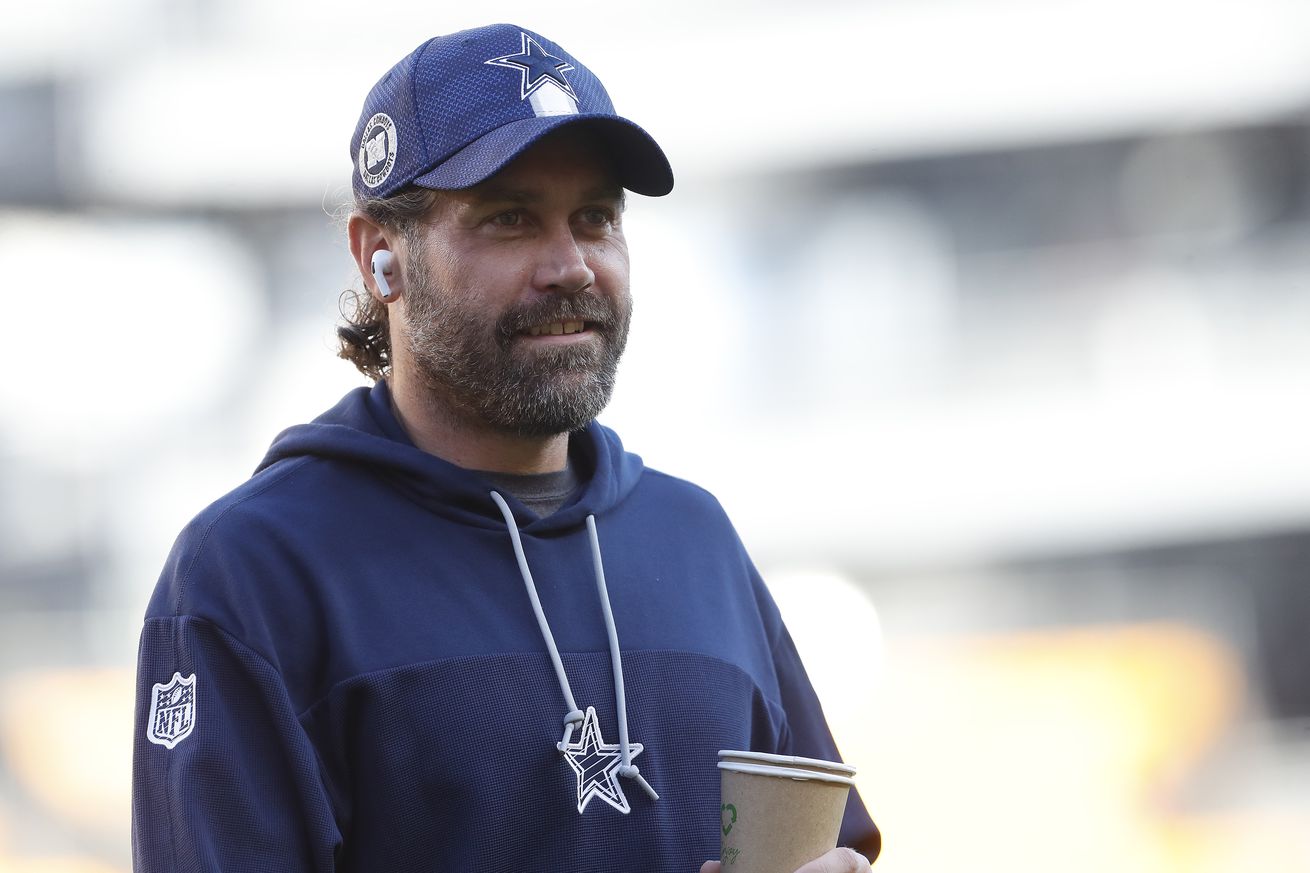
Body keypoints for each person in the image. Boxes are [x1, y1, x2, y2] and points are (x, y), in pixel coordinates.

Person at [131, 22, 880, 873]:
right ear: (382, 255)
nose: (570, 265)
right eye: (510, 219)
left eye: (595, 218)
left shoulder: (696, 536)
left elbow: (830, 844)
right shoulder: (254, 569)